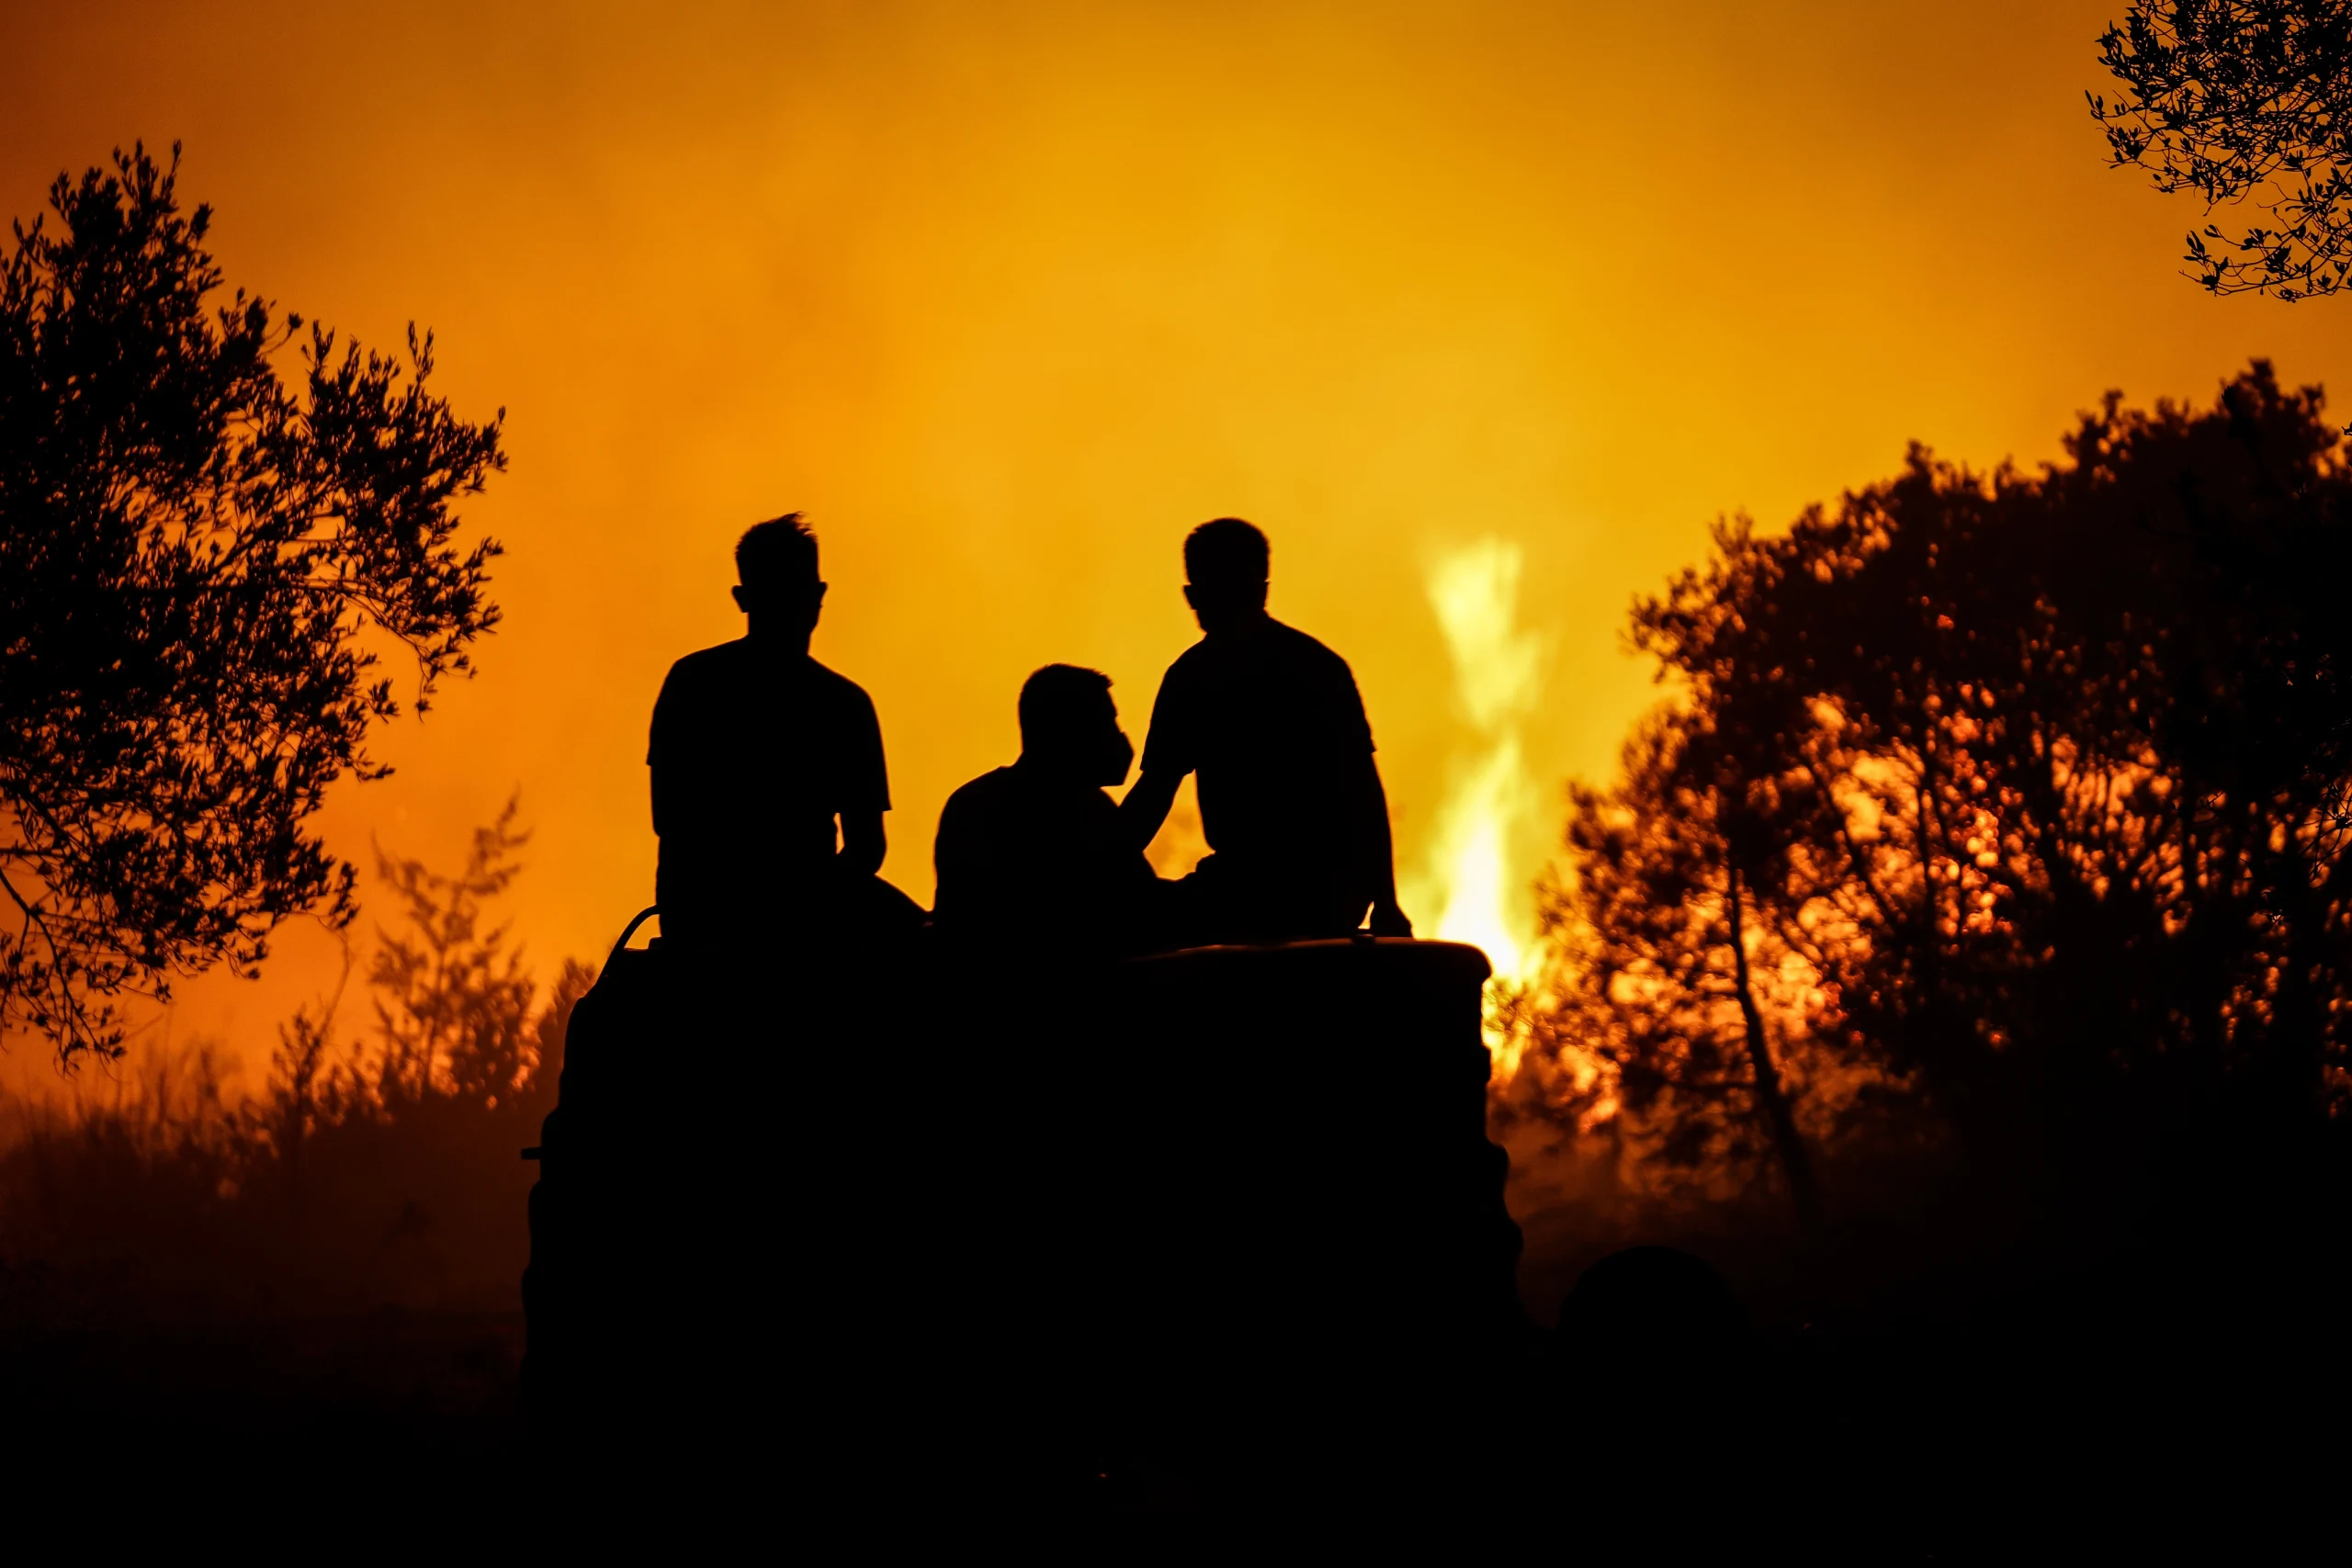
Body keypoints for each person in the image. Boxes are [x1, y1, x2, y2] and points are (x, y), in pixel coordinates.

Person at [1121, 517, 1411, 943]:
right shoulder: (1314, 666)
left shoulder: (1197, 677)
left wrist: (1387, 902)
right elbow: (1363, 791)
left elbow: (1362, 792)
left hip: (1304, 890)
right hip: (1283, 885)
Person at [646, 513, 916, 950]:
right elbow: (866, 850)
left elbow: (669, 819)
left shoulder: (692, 681)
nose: (793, 606)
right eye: (782, 592)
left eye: (797, 591)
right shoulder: (844, 704)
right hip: (727, 920)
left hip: (717, 913)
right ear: (744, 598)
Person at [933, 663, 1161, 958]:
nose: (1117, 737)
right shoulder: (987, 811)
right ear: (1065, 732)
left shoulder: (1091, 805)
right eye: (1105, 724)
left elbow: (1142, 895)